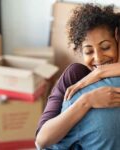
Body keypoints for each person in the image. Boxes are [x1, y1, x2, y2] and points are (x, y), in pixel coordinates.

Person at [35, 3, 120, 150]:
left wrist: (99, 72)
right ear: (81, 53)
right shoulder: (75, 76)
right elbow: (41, 141)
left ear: (117, 41)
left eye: (105, 47)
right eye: (88, 51)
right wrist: (86, 101)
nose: (98, 58)